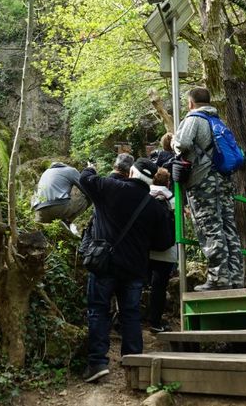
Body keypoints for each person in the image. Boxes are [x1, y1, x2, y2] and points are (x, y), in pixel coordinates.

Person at [79, 158, 174, 383]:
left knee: (98, 310)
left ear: (130, 172)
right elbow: (164, 242)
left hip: (104, 264)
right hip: (134, 268)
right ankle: (134, 361)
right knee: (131, 314)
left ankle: (97, 363)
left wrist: (91, 167)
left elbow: (85, 179)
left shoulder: (112, 187)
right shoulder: (154, 206)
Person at [173, 87, 243, 291]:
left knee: (210, 226)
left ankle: (218, 278)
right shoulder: (219, 122)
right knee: (228, 227)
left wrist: (175, 143)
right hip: (224, 180)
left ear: (190, 103)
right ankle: (235, 278)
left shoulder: (193, 118)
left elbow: (183, 142)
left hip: (203, 180)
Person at [146, 167, 177, 333]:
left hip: (144, 249)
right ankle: (155, 322)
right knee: (159, 288)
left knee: (138, 284)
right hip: (167, 251)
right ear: (168, 181)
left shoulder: (144, 195)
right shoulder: (172, 198)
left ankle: (128, 320)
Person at [31, 161, 90, 226]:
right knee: (88, 195)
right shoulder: (70, 170)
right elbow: (86, 188)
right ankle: (67, 222)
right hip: (59, 209)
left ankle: (62, 224)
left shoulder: (45, 173)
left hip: (40, 212)